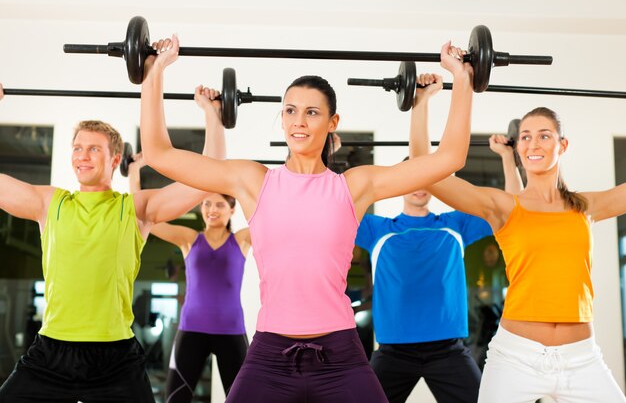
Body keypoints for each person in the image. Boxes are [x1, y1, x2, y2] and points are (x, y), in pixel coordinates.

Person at [139, 34, 474, 403]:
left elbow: (450, 158)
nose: (299, 121)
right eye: (290, 110)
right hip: (269, 354)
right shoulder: (253, 181)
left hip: (340, 355)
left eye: (312, 112)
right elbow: (159, 153)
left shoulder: (354, 186)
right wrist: (153, 73)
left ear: (333, 122)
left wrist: (462, 78)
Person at [0, 84, 225, 403]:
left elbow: (208, 179)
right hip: (50, 353)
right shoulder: (50, 203)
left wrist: (212, 115)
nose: (83, 155)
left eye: (94, 149)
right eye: (78, 148)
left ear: (115, 158)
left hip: (115, 358)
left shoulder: (134, 209)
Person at [412, 106, 626, 403]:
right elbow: (426, 174)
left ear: (562, 145)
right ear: (518, 146)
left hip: (582, 359)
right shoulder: (504, 206)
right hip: (516, 358)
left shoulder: (585, 207)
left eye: (544, 136)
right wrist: (421, 103)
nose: (533, 144)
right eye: (525, 137)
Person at [353, 74, 522, 403]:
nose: (418, 183)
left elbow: (509, 209)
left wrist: (507, 157)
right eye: (410, 177)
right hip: (392, 352)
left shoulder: (456, 225)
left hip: (448, 351)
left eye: (425, 177)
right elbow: (333, 209)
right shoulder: (377, 229)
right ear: (398, 184)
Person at [128, 87, 252, 401]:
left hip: (231, 331)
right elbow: (145, 216)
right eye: (207, 204)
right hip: (191, 330)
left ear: (232, 210)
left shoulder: (242, 240)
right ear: (200, 208)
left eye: (220, 205)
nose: (212, 209)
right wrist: (133, 173)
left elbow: (272, 217)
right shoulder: (188, 239)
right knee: (175, 398)